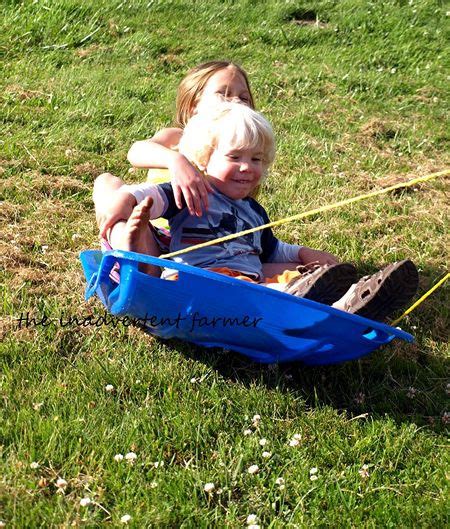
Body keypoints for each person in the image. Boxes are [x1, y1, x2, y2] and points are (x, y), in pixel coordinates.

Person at [98, 102, 419, 322]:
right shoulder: (193, 190)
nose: (246, 168)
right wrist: (123, 204)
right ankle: (318, 300)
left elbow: (270, 249)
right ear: (205, 159)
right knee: (268, 287)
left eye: (256, 160)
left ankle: (352, 299)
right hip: (198, 283)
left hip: (248, 279)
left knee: (292, 272)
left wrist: (304, 253)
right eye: (235, 157)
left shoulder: (254, 211)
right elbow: (145, 195)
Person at [93, 60, 324, 278]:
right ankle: (129, 251)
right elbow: (136, 152)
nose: (235, 101)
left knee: (282, 266)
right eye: (223, 94)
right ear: (194, 105)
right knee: (107, 183)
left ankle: (312, 282)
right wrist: (176, 161)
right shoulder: (177, 137)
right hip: (157, 231)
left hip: (218, 248)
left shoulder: (245, 150)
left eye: (243, 97)